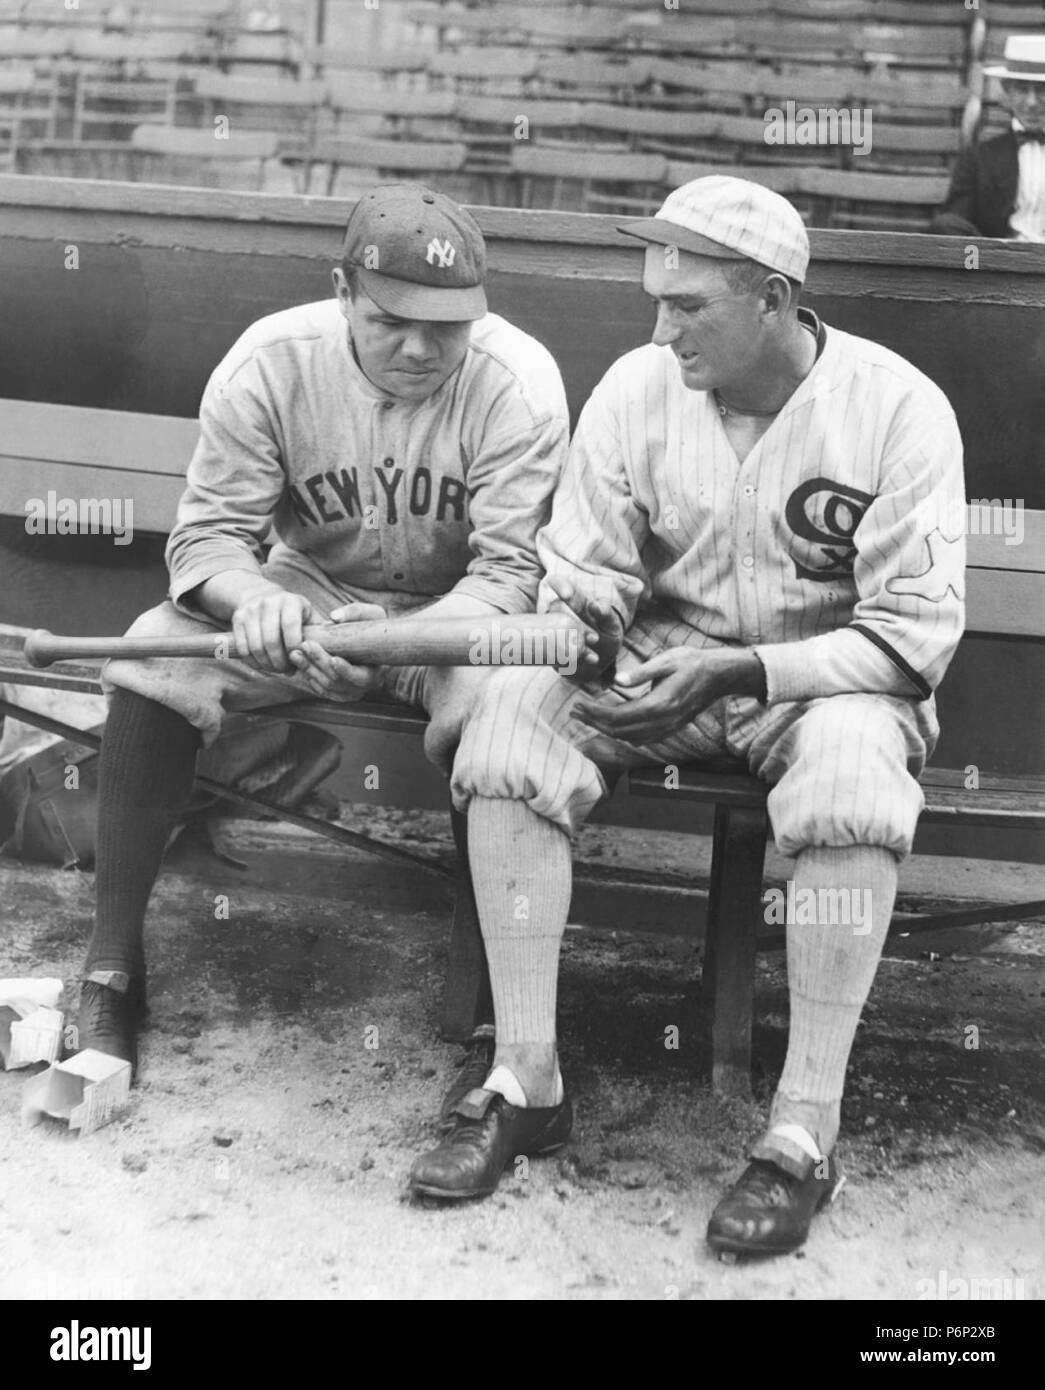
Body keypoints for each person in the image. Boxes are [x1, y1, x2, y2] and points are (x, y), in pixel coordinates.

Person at [409, 176, 967, 1259]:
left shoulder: (897, 407)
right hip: (664, 670)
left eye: (688, 307)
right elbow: (579, 571)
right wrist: (593, 624)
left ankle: (802, 1129)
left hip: (821, 682)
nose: (661, 330)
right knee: (509, 730)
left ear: (771, 298)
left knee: (855, 779)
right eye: (654, 300)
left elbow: (912, 636)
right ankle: (524, 1078)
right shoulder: (636, 389)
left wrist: (747, 670)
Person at [73, 184, 570, 1085]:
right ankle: (111, 968)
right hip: (304, 591)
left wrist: (393, 641)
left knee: (502, 717)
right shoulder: (270, 359)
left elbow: (512, 575)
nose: (421, 348)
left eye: (446, 325)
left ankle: (502, 1017)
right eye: (392, 320)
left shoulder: (517, 382)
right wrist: (250, 602)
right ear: (342, 289)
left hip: (452, 617)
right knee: (151, 658)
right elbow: (208, 536)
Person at [933, 35, 1045, 241]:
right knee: (945, 225)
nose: (1032, 102)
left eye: (1042, 90)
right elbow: (954, 219)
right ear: (1007, 91)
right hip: (1001, 262)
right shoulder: (980, 157)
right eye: (1022, 89)